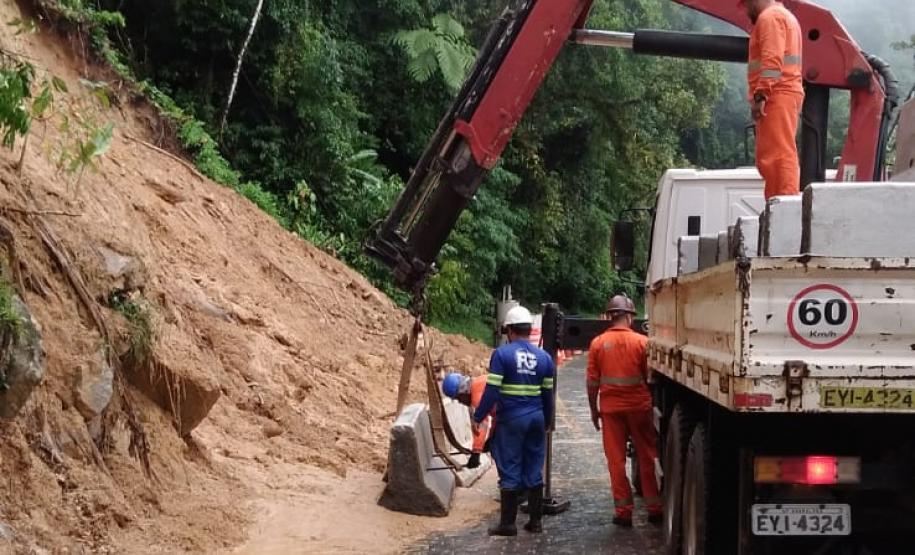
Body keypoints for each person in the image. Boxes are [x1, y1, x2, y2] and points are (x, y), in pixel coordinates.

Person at [472, 305, 555, 536]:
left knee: (510, 467)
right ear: (530, 330)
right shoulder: (544, 358)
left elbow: (491, 391)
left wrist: (478, 416)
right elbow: (548, 395)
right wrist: (547, 421)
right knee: (533, 467)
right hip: (537, 418)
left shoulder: (502, 354)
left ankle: (508, 524)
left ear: (509, 330)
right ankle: (535, 522)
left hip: (512, 420)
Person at [587, 295, 661, 527]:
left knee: (616, 461)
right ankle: (655, 508)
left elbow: (592, 382)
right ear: (629, 317)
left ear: (611, 316)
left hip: (611, 410)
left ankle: (623, 512)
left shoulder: (598, 343)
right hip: (639, 407)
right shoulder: (642, 342)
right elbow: (650, 377)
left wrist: (593, 410)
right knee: (647, 456)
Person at [740, 0, 805, 200]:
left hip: (777, 95)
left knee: (778, 156)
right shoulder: (783, 16)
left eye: (746, 3)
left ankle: (784, 205)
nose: (746, 8)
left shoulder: (770, 18)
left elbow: (772, 60)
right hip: (780, 94)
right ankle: (777, 205)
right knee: (773, 157)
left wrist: (761, 95)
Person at [442, 372, 491, 469]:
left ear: (463, 392)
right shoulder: (479, 383)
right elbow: (500, 416)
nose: (460, 402)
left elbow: (482, 424)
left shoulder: (477, 394)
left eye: (458, 398)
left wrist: (476, 453)